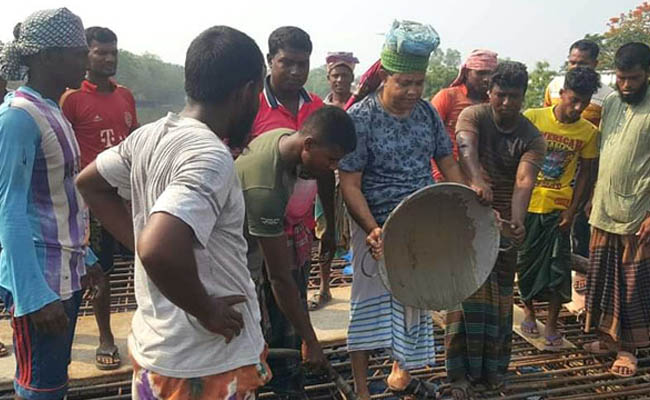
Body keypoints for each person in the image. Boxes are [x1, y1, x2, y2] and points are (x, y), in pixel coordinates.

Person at [76, 26, 272, 399]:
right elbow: (158, 248)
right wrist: (206, 308)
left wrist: (138, 241)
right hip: (205, 361)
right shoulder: (209, 155)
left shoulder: (149, 135)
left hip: (158, 350)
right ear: (247, 92)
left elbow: (90, 184)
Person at [339, 21, 466, 400]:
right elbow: (349, 183)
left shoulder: (426, 113)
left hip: (420, 224)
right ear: (385, 78)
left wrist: (466, 200)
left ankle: (401, 373)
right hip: (374, 227)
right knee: (366, 307)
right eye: (404, 82)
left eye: (419, 82)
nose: (412, 91)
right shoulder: (362, 117)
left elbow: (447, 160)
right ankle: (362, 389)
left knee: (414, 300)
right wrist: (372, 227)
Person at [0, 8, 90, 400]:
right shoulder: (19, 118)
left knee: (54, 381)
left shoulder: (52, 110)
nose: (85, 60)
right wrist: (34, 294)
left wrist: (88, 259)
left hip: (65, 269)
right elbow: (10, 209)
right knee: (39, 388)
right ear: (48, 57)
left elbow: (58, 196)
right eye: (78, 52)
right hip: (41, 278)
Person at [237, 106, 355, 398]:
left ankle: (282, 379)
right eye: (332, 159)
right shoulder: (266, 185)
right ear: (309, 145)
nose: (334, 167)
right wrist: (311, 341)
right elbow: (279, 277)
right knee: (250, 318)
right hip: (234, 246)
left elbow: (324, 175)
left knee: (280, 315)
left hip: (260, 230)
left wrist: (327, 225)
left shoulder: (289, 141)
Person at [444, 61, 546, 398]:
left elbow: (523, 181)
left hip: (503, 227)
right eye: (500, 95)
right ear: (490, 92)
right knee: (465, 300)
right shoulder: (473, 116)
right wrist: (475, 179)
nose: (506, 103)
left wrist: (517, 220)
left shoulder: (532, 136)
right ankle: (459, 375)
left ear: (522, 96)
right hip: (468, 219)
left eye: (513, 97)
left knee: (501, 304)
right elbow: (465, 148)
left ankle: (493, 373)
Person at [60, 25, 139, 371]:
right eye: (101, 52)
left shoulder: (125, 96)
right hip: (92, 202)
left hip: (127, 195)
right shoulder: (71, 99)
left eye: (113, 52)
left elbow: (135, 142)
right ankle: (106, 338)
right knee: (100, 272)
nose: (109, 58)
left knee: (143, 258)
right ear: (86, 55)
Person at [516, 67, 601, 350]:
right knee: (525, 263)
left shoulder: (588, 132)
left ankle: (551, 322)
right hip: (526, 205)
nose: (577, 107)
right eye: (573, 99)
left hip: (558, 210)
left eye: (584, 102)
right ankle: (528, 311)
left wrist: (572, 211)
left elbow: (587, 174)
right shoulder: (532, 118)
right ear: (561, 94)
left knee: (558, 269)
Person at [583, 42, 650, 378]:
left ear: (647, 74)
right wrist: (593, 194)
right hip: (605, 207)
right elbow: (604, 153)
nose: (626, 85)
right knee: (604, 279)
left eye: (634, 78)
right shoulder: (610, 102)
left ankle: (628, 350)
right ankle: (608, 340)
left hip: (639, 211)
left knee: (633, 284)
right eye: (622, 78)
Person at [544, 39, 614, 274]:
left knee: (580, 227)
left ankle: (580, 281)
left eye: (582, 63)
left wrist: (595, 187)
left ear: (595, 63)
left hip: (586, 168)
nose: (576, 68)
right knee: (551, 226)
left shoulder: (608, 96)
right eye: (572, 62)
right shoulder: (554, 86)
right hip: (554, 171)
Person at [310, 51, 359, 311]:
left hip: (355, 178)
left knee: (358, 232)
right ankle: (324, 287)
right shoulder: (320, 109)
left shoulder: (360, 106)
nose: (340, 80)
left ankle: (361, 289)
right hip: (326, 178)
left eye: (345, 75)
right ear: (328, 78)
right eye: (335, 75)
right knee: (325, 233)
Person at [431, 49, 498, 181]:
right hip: (444, 174)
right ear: (467, 73)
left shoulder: (494, 105)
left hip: (479, 177)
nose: (486, 79)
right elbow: (428, 138)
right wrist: (437, 175)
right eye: (481, 73)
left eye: (491, 74)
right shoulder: (448, 97)